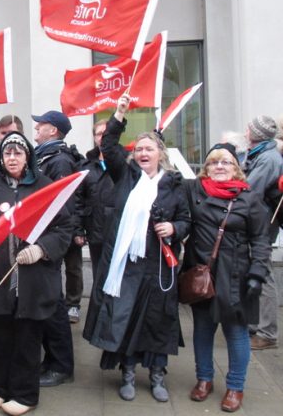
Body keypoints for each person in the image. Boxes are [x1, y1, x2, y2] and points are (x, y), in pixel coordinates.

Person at [83, 94, 190, 403]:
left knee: (158, 321)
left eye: (149, 148)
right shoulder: (126, 175)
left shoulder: (174, 184)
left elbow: (185, 220)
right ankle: (127, 373)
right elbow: (108, 146)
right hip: (128, 265)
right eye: (139, 149)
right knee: (126, 318)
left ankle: (157, 375)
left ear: (160, 153)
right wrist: (119, 114)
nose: (143, 152)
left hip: (159, 265)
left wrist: (174, 228)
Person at [0, 132, 72, 416]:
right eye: (7, 153)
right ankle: (0, 388)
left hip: (34, 279)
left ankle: (25, 394)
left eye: (18, 152)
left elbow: (64, 228)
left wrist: (42, 249)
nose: (12, 158)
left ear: (27, 155)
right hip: (0, 277)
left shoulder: (45, 186)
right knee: (0, 338)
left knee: (28, 340)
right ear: (0, 159)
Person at [184, 143, 271, 412]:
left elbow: (260, 239)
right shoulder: (194, 190)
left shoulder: (249, 198)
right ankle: (204, 379)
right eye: (213, 162)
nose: (220, 167)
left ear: (236, 168)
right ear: (206, 168)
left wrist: (258, 272)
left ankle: (235, 386)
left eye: (226, 162)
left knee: (236, 333)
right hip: (203, 274)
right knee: (202, 330)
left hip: (236, 275)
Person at [31, 109, 80, 387]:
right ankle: (51, 360)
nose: (36, 127)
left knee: (53, 306)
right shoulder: (45, 156)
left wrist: (50, 243)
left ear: (54, 131)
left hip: (48, 241)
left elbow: (61, 205)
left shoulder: (59, 161)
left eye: (42, 124)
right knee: (48, 303)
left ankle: (61, 366)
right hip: (41, 238)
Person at [244, 115, 283, 351]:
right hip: (261, 219)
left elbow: (251, 190)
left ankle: (267, 332)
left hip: (262, 222)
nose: (246, 131)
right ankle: (256, 324)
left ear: (254, 132)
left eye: (249, 128)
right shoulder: (263, 153)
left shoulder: (267, 158)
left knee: (264, 272)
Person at [76, 119, 122, 280]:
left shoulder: (125, 163)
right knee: (100, 277)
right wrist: (78, 230)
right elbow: (78, 200)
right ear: (94, 138)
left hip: (120, 230)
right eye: (99, 134)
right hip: (96, 231)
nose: (103, 137)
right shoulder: (86, 167)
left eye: (106, 133)